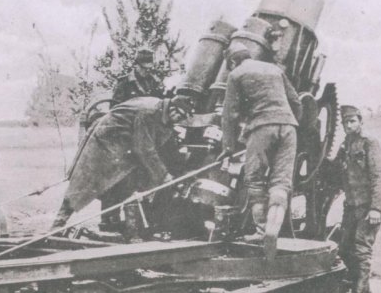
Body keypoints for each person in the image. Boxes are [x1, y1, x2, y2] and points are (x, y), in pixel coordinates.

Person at [51, 97, 190, 235]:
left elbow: (157, 142)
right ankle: (57, 224)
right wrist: (163, 175)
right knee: (83, 184)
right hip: (104, 141)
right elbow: (144, 148)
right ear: (172, 109)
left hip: (123, 143)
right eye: (180, 115)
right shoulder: (149, 112)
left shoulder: (161, 112)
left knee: (123, 183)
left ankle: (114, 224)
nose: (180, 119)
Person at [219, 44, 302, 260]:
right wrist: (290, 123)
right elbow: (296, 101)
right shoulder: (274, 69)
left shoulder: (236, 74)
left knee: (254, 180)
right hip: (289, 127)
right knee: (281, 182)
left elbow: (229, 114)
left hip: (262, 127)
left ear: (232, 61)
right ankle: (274, 229)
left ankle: (262, 230)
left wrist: (228, 147)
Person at [334, 105, 381, 293]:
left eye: (352, 121)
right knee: (344, 249)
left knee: (361, 250)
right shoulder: (345, 145)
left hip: (368, 208)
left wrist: (376, 208)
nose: (349, 125)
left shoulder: (369, 143)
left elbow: (380, 177)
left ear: (360, 122)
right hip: (351, 207)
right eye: (345, 122)